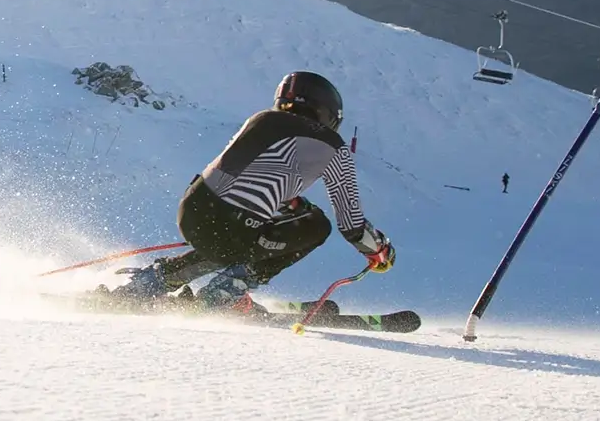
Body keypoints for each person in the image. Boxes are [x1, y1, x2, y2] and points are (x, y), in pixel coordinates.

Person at [122, 71, 395, 311]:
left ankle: (152, 282)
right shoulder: (334, 146)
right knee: (317, 226)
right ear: (329, 112)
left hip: (192, 210)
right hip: (234, 230)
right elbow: (351, 226)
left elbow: (247, 176)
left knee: (230, 240)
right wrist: (378, 250)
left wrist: (289, 203)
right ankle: (224, 293)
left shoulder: (261, 119)